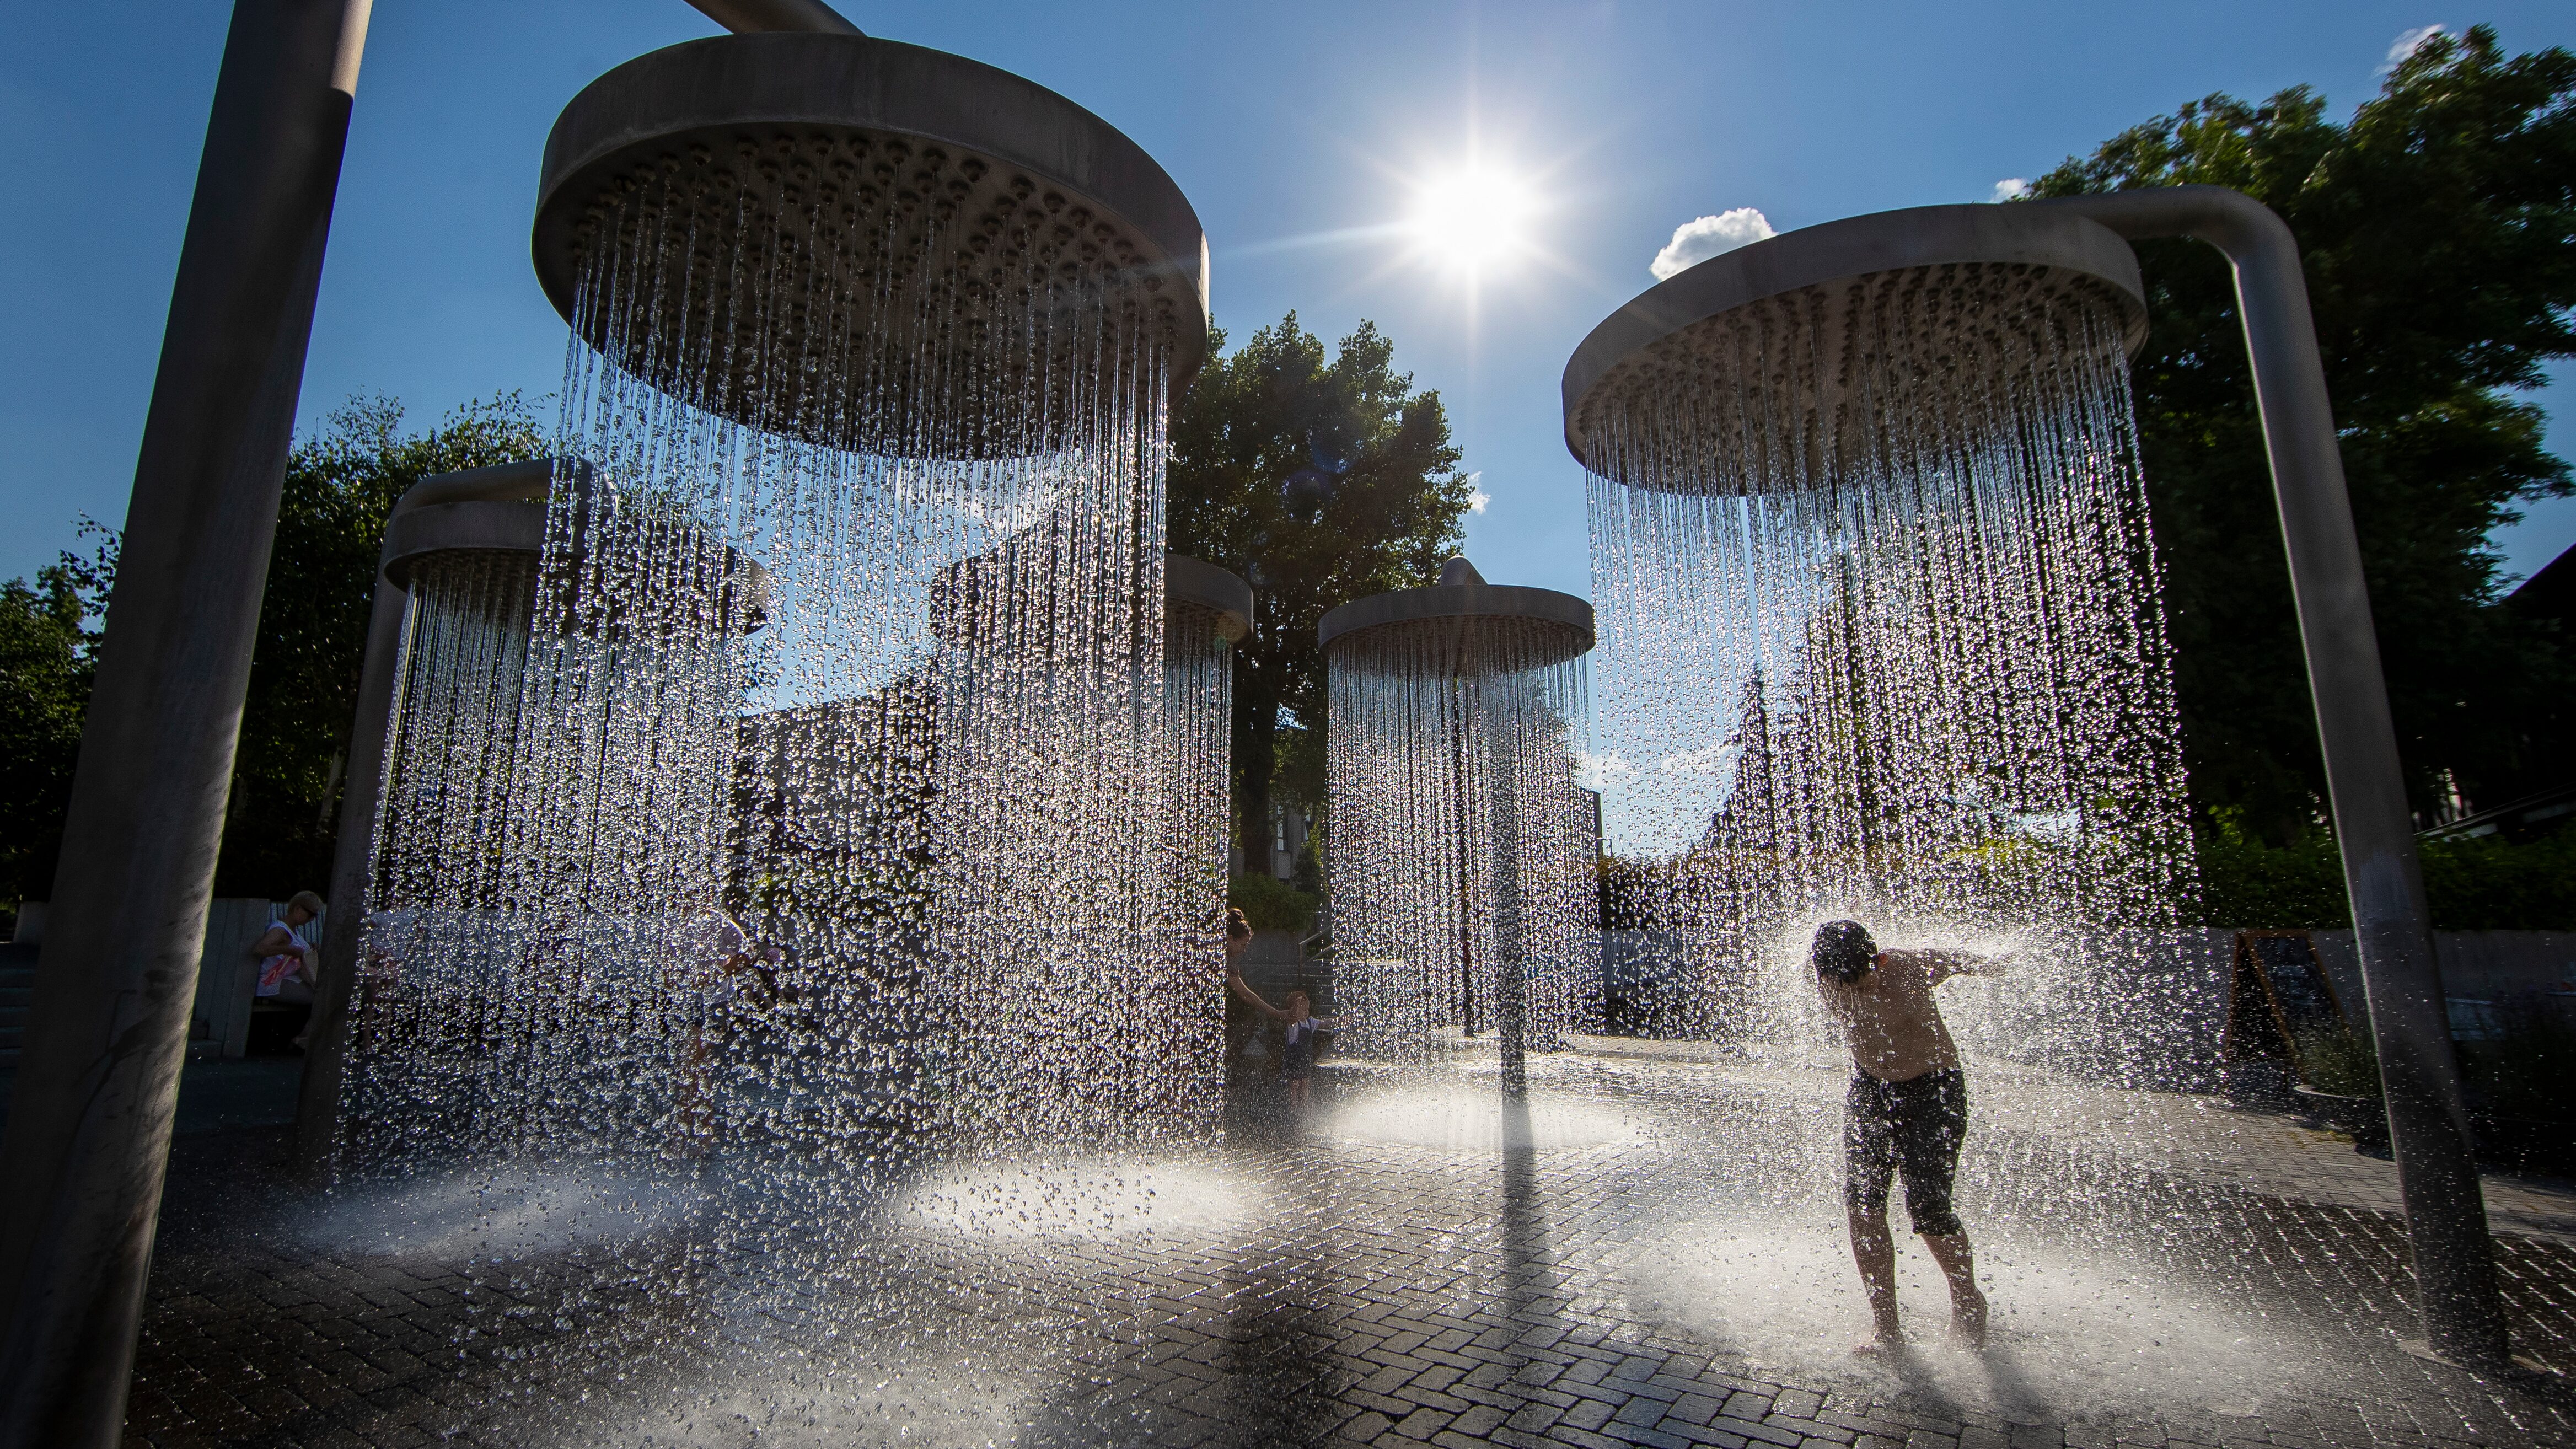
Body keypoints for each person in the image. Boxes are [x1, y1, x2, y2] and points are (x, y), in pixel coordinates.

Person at [1809, 918, 2005, 1353]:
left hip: (1934, 1091)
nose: (1853, 993)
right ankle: (1886, 1329)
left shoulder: (1913, 966)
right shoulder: (1828, 976)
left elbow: (1968, 961)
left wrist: (1998, 961)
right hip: (1871, 1089)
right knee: (1862, 1204)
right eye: (1841, 984)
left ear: (1876, 961)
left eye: (1860, 980)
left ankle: (1969, 1303)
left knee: (1929, 1207)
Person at [1223, 911, 1349, 1110]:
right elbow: (1245, 995)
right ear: (1230, 939)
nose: (1245, 949)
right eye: (1243, 944)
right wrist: (1277, 1013)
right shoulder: (1210, 951)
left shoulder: (1229, 961)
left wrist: (1275, 1013)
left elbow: (1245, 994)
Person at [250, 891, 326, 1050]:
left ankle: (304, 1040)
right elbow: (260, 949)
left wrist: (310, 949)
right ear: (298, 909)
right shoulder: (281, 930)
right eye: (311, 914)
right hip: (273, 982)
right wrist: (290, 950)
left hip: (290, 979)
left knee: (327, 995)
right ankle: (302, 1041)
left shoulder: (293, 929)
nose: (312, 919)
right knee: (322, 999)